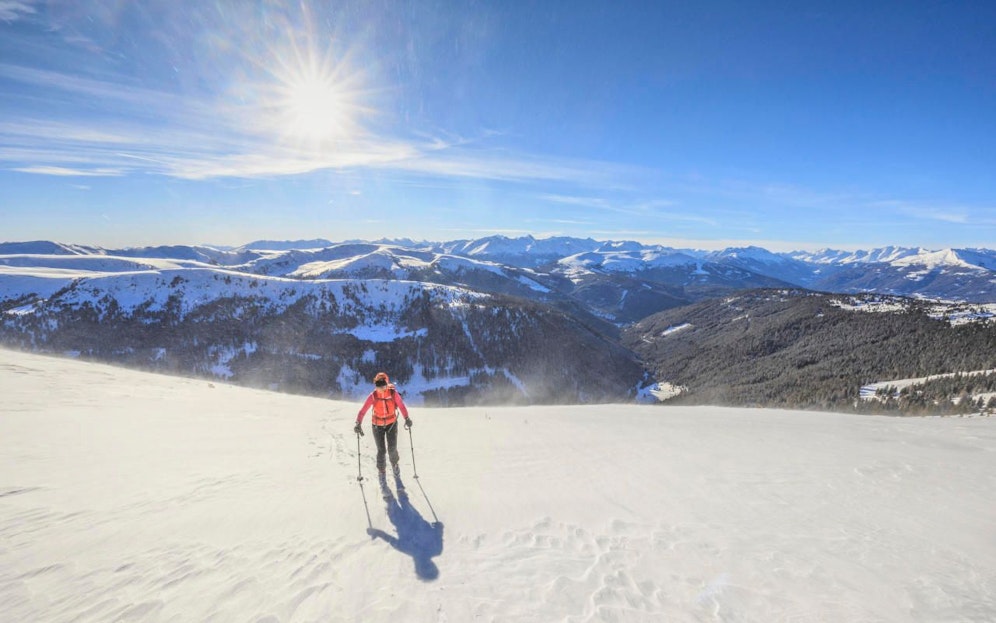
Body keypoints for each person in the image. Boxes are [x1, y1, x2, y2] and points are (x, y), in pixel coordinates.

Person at [354, 372, 412, 477]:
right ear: (375, 385)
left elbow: (401, 406)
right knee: (381, 450)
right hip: (377, 425)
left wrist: (406, 418)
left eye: (383, 386)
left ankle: (394, 464)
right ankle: (381, 470)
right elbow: (363, 410)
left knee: (392, 448)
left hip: (392, 424)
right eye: (378, 386)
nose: (381, 389)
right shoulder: (373, 396)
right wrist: (358, 422)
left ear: (386, 384)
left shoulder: (393, 393)